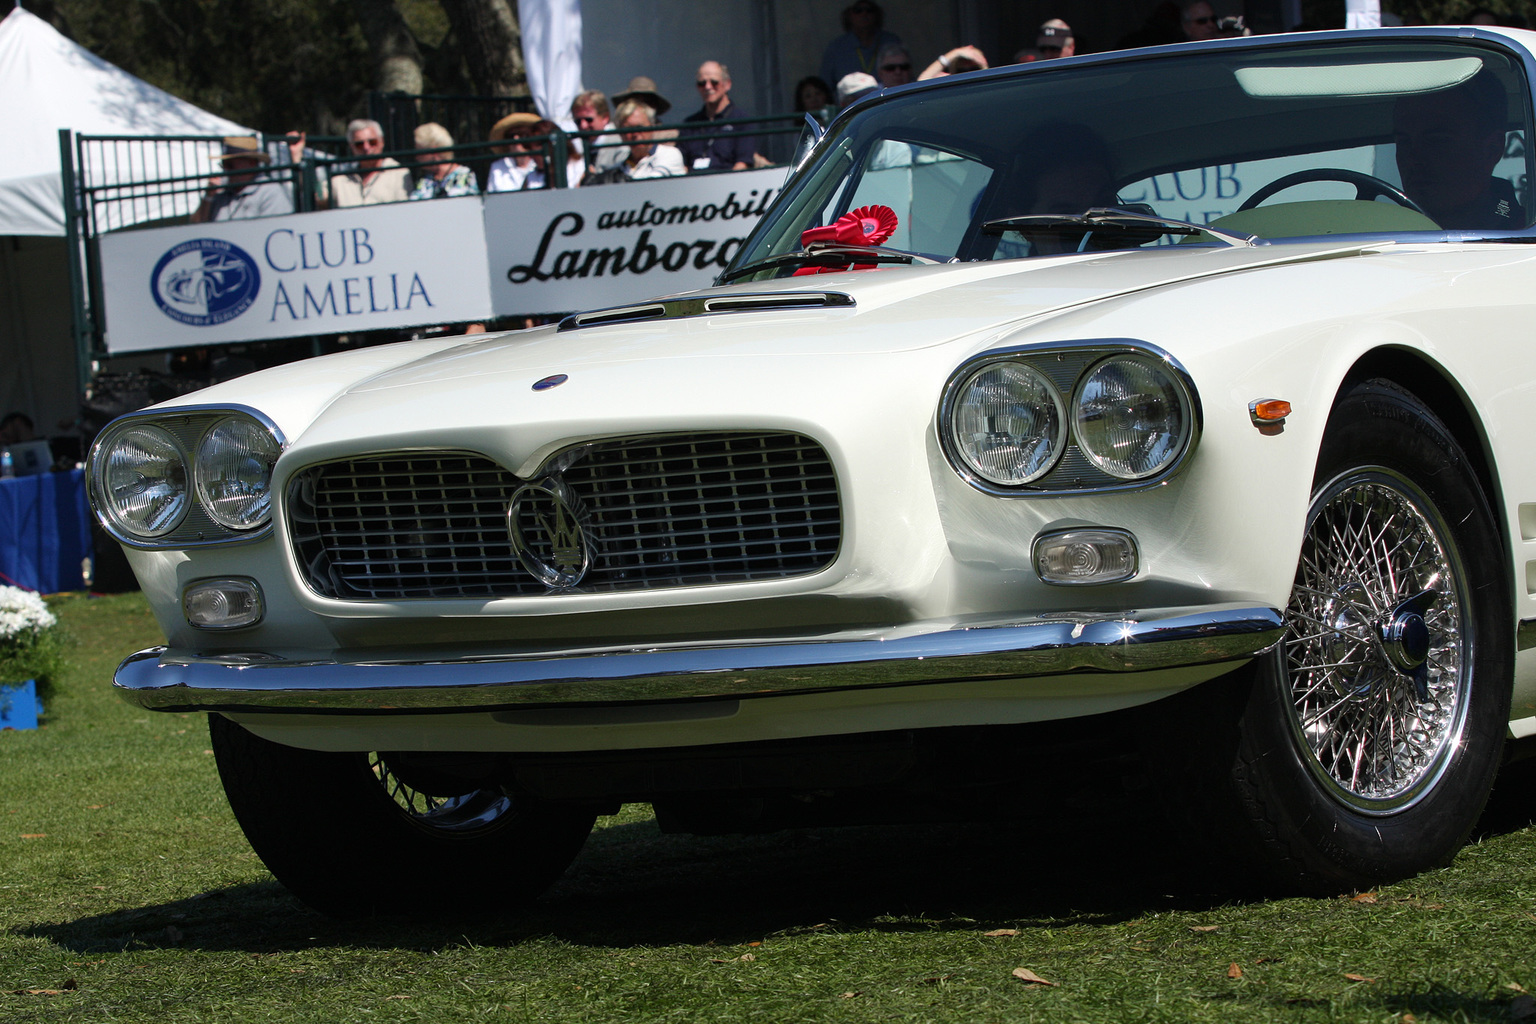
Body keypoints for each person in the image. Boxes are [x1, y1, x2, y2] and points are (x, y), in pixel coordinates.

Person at [1394, 73, 1524, 230]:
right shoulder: (1377, 234)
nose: (1412, 158)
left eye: (1436, 140)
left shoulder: (1525, 241)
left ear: (1492, 149)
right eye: (1404, 142)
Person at [290, 119, 411, 209]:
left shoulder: (398, 173)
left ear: (382, 142)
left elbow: (405, 211)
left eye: (372, 142)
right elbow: (317, 198)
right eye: (359, 144)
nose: (366, 147)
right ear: (352, 147)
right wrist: (297, 157)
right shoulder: (340, 178)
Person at [679, 61, 759, 172]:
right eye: (702, 83)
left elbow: (742, 164)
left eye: (714, 82)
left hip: (729, 184)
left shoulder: (742, 121)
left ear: (727, 84)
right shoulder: (689, 124)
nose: (707, 87)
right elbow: (681, 166)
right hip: (693, 185)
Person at [192, 137, 295, 222]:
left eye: (230, 165)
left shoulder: (270, 191)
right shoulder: (221, 194)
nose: (225, 170)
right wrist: (208, 197)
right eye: (223, 165)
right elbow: (196, 228)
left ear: (252, 164)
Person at [819, 1, 901, 91]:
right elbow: (825, 86)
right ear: (849, 16)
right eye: (858, 10)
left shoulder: (891, 41)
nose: (864, 14)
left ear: (876, 15)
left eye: (869, 10)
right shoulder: (836, 48)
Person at [603, 100, 686, 181]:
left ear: (652, 127)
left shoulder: (670, 154)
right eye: (628, 129)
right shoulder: (617, 167)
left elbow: (650, 187)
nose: (635, 134)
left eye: (640, 127)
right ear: (621, 135)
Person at [408, 123, 480, 200]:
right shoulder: (424, 181)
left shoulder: (464, 175)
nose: (416, 157)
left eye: (419, 152)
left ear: (434, 151)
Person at [571, 89, 626, 171]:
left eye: (588, 120)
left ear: (605, 118)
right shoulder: (579, 146)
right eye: (578, 121)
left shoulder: (621, 145)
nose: (583, 126)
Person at [486, 112, 542, 192]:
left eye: (521, 134)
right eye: (511, 136)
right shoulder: (497, 167)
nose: (516, 139)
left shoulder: (541, 164)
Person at [918, 45, 989, 81]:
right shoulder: (950, 83)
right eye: (961, 71)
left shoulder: (990, 85)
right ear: (953, 72)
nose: (967, 75)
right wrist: (955, 53)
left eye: (974, 70)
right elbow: (922, 81)